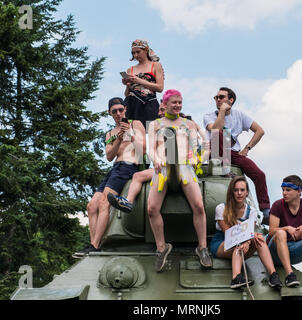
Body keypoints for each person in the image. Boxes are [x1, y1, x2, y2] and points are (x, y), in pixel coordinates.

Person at [147, 89, 212, 272]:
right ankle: (162, 247)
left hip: (184, 167)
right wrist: (156, 159)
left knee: (199, 205)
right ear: (165, 104)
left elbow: (203, 142)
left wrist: (201, 156)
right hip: (163, 169)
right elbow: (151, 148)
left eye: (180, 102)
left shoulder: (189, 124)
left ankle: (202, 247)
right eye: (174, 102)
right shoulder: (155, 124)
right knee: (152, 208)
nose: (177, 106)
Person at [73, 97, 146, 257]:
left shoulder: (136, 124)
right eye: (114, 111)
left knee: (105, 202)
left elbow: (143, 151)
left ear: (125, 109)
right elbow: (109, 156)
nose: (118, 113)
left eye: (121, 110)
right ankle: (94, 244)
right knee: (91, 206)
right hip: (114, 168)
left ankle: (95, 245)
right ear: (110, 113)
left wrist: (130, 134)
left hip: (128, 166)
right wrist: (119, 139)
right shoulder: (110, 134)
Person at [203, 87, 271, 224]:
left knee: (259, 174)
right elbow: (216, 129)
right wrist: (222, 111)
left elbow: (260, 131)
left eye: (221, 97)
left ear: (231, 100)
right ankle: (225, 170)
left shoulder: (239, 115)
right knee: (219, 134)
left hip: (234, 152)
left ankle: (266, 211)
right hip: (216, 151)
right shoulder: (209, 116)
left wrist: (247, 148)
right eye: (216, 97)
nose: (218, 100)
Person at [210, 176, 282, 289]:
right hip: (222, 243)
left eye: (242, 190)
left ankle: (273, 275)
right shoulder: (221, 208)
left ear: (247, 192)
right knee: (238, 243)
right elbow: (228, 233)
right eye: (236, 190)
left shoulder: (251, 211)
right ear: (231, 192)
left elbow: (249, 232)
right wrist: (246, 239)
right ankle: (236, 278)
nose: (239, 193)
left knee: (259, 239)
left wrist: (248, 241)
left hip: (243, 242)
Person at [107, 101, 166, 213]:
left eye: (162, 110)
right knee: (138, 176)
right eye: (159, 110)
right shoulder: (155, 128)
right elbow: (151, 151)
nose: (158, 113)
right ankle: (128, 202)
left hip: (177, 168)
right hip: (160, 168)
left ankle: (128, 201)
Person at [122, 39, 164, 130]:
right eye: (133, 53)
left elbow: (160, 88)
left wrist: (139, 81)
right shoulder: (130, 69)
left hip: (149, 105)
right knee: (130, 135)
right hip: (132, 105)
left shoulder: (156, 65)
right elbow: (126, 94)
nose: (136, 55)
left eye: (138, 52)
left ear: (146, 50)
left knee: (150, 133)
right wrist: (128, 85)